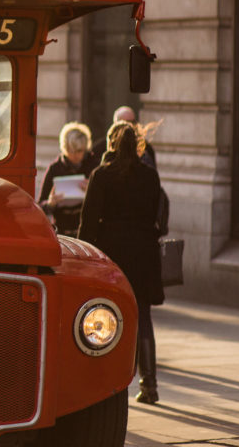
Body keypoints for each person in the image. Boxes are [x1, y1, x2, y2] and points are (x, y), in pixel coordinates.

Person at [78, 121, 165, 404]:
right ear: (137, 145)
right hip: (143, 253)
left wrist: (84, 257)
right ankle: (149, 385)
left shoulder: (102, 175)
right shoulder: (150, 176)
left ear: (111, 145)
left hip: (112, 253)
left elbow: (88, 221)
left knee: (106, 316)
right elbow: (157, 215)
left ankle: (106, 386)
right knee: (143, 317)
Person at [37, 121, 99, 234]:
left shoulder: (94, 167)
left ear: (85, 149)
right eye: (71, 151)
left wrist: (91, 192)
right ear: (64, 148)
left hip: (88, 231)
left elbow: (106, 204)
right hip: (62, 231)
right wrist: (51, 204)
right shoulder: (55, 169)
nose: (75, 155)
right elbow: (39, 207)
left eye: (79, 151)